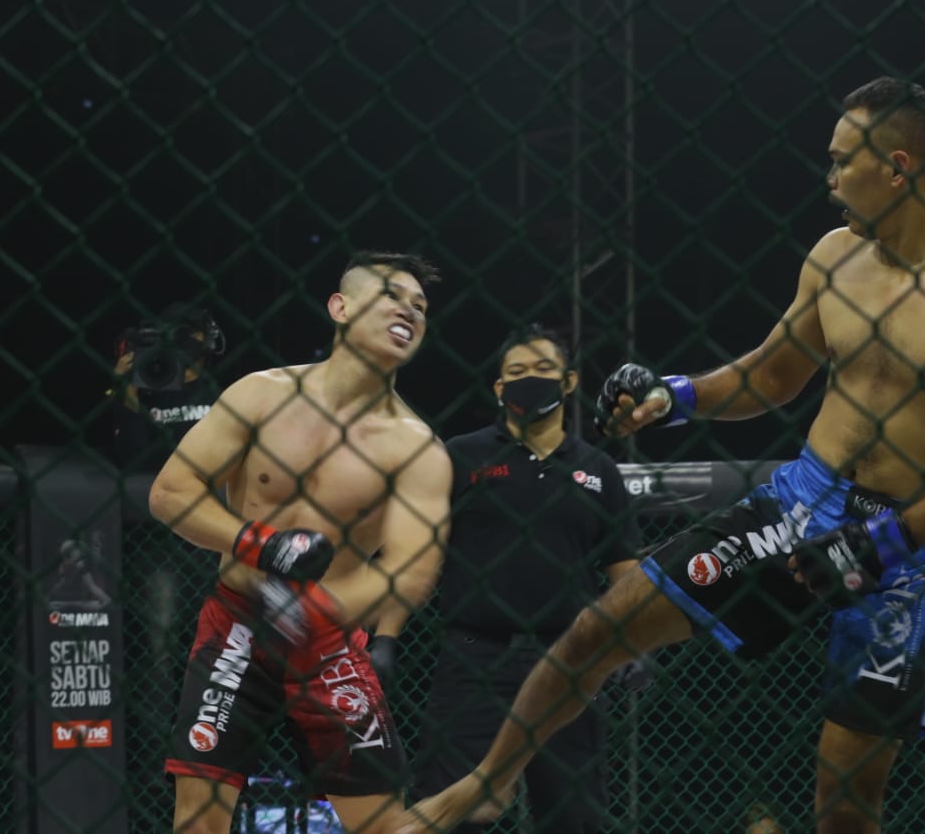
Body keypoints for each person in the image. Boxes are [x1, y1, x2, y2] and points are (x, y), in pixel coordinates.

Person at [398, 76, 925, 834]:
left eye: (843, 161)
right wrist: (674, 396)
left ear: (898, 167)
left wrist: (886, 540)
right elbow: (773, 374)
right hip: (805, 499)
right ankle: (486, 782)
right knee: (597, 629)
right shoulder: (837, 257)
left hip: (905, 543)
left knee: (846, 798)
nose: (830, 179)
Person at [147, 251, 453, 834]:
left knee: (383, 827)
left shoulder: (418, 448)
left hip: (330, 645)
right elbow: (169, 493)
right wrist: (261, 545)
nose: (409, 311)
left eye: (419, 305)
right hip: (237, 625)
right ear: (341, 307)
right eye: (391, 295)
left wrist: (317, 609)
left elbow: (411, 571)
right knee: (198, 822)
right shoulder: (260, 396)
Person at [413, 324, 644, 833]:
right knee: (452, 812)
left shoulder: (599, 469)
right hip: (474, 659)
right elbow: (417, 549)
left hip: (570, 660)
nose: (529, 380)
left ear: (569, 381)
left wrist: (631, 645)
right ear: (499, 388)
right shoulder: (462, 456)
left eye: (543, 369)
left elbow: (624, 570)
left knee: (573, 816)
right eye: (516, 372)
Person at [110, 303, 226, 472]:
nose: (183, 337)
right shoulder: (144, 391)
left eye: (190, 331)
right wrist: (126, 388)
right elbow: (133, 458)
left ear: (208, 339)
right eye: (175, 331)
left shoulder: (221, 396)